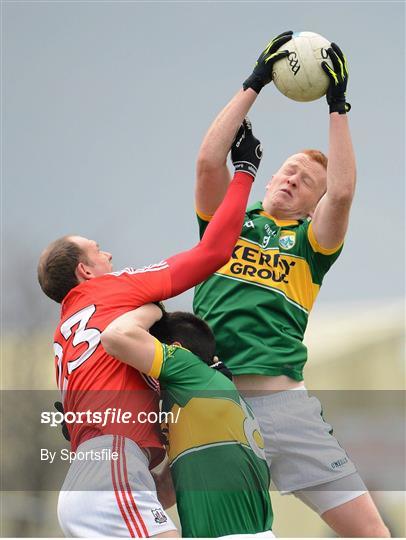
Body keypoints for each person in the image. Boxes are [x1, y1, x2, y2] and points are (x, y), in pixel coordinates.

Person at [193, 32, 390, 537]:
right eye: (288, 169)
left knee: (372, 533)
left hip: (284, 409)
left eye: (305, 182)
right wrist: (255, 82)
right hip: (211, 401)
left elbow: (343, 193)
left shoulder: (310, 244)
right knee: (140, 501)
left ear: (311, 206)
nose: (291, 178)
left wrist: (337, 104)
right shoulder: (229, 221)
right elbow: (208, 161)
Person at [37, 124, 262, 538]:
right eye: (97, 249)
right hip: (112, 464)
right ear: (85, 271)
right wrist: (246, 170)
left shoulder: (63, 332)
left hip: (92, 477)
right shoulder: (110, 291)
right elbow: (212, 252)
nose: (109, 254)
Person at [101, 303, 274, 539]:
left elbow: (115, 336)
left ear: (176, 350)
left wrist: (155, 309)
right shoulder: (203, 398)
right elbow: (163, 493)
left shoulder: (188, 369)